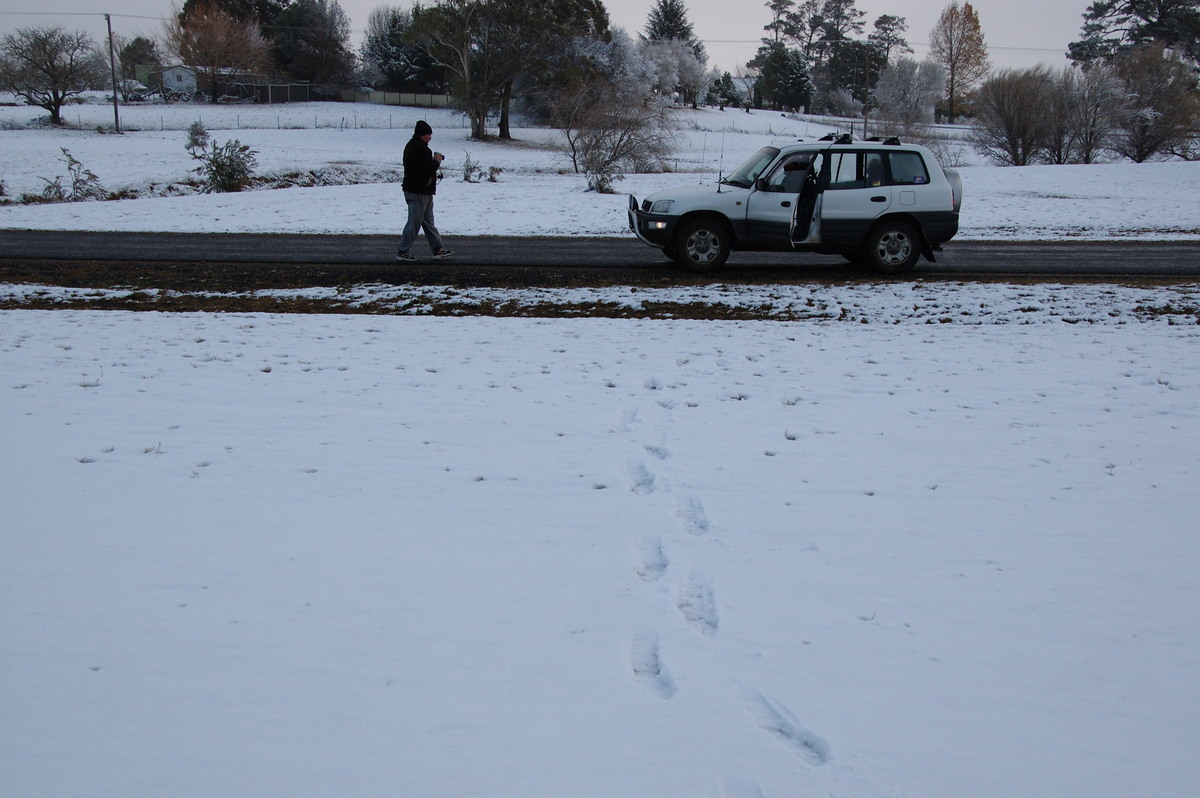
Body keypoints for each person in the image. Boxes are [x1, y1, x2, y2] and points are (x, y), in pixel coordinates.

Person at [396, 120, 452, 262]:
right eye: (427, 134)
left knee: (427, 222)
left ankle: (437, 249)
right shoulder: (419, 149)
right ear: (421, 134)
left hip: (423, 191)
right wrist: (436, 161)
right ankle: (403, 251)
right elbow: (428, 168)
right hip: (418, 191)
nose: (430, 137)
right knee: (414, 223)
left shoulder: (414, 146)